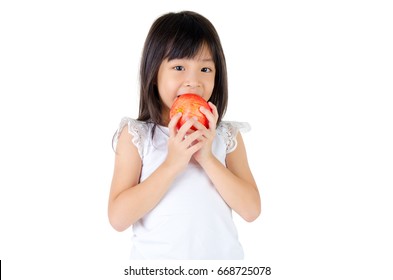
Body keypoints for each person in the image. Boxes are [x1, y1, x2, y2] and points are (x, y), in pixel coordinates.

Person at [108, 10, 261, 260]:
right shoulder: (138, 136)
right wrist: (172, 164)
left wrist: (208, 159)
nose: (193, 81)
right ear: (154, 75)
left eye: (205, 69)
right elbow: (118, 218)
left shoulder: (226, 136)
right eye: (179, 67)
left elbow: (251, 210)